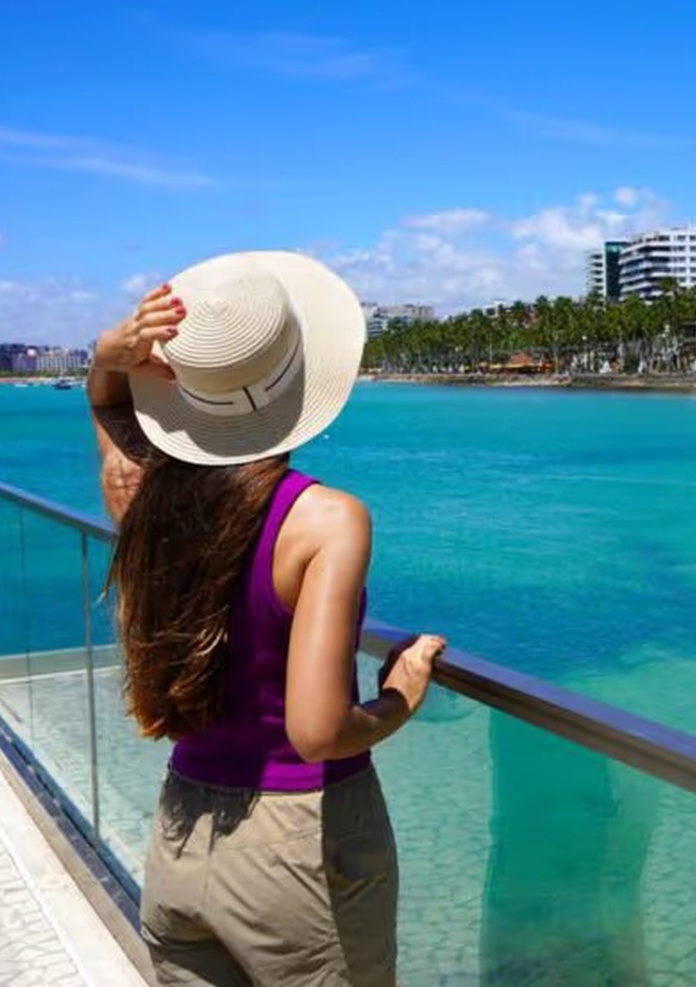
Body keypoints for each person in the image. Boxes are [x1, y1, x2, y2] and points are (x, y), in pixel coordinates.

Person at [88, 251, 445, 986]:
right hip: (299, 847)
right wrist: (398, 698)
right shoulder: (326, 520)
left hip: (182, 833)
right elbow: (317, 731)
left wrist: (106, 361)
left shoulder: (147, 504)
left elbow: (114, 420)